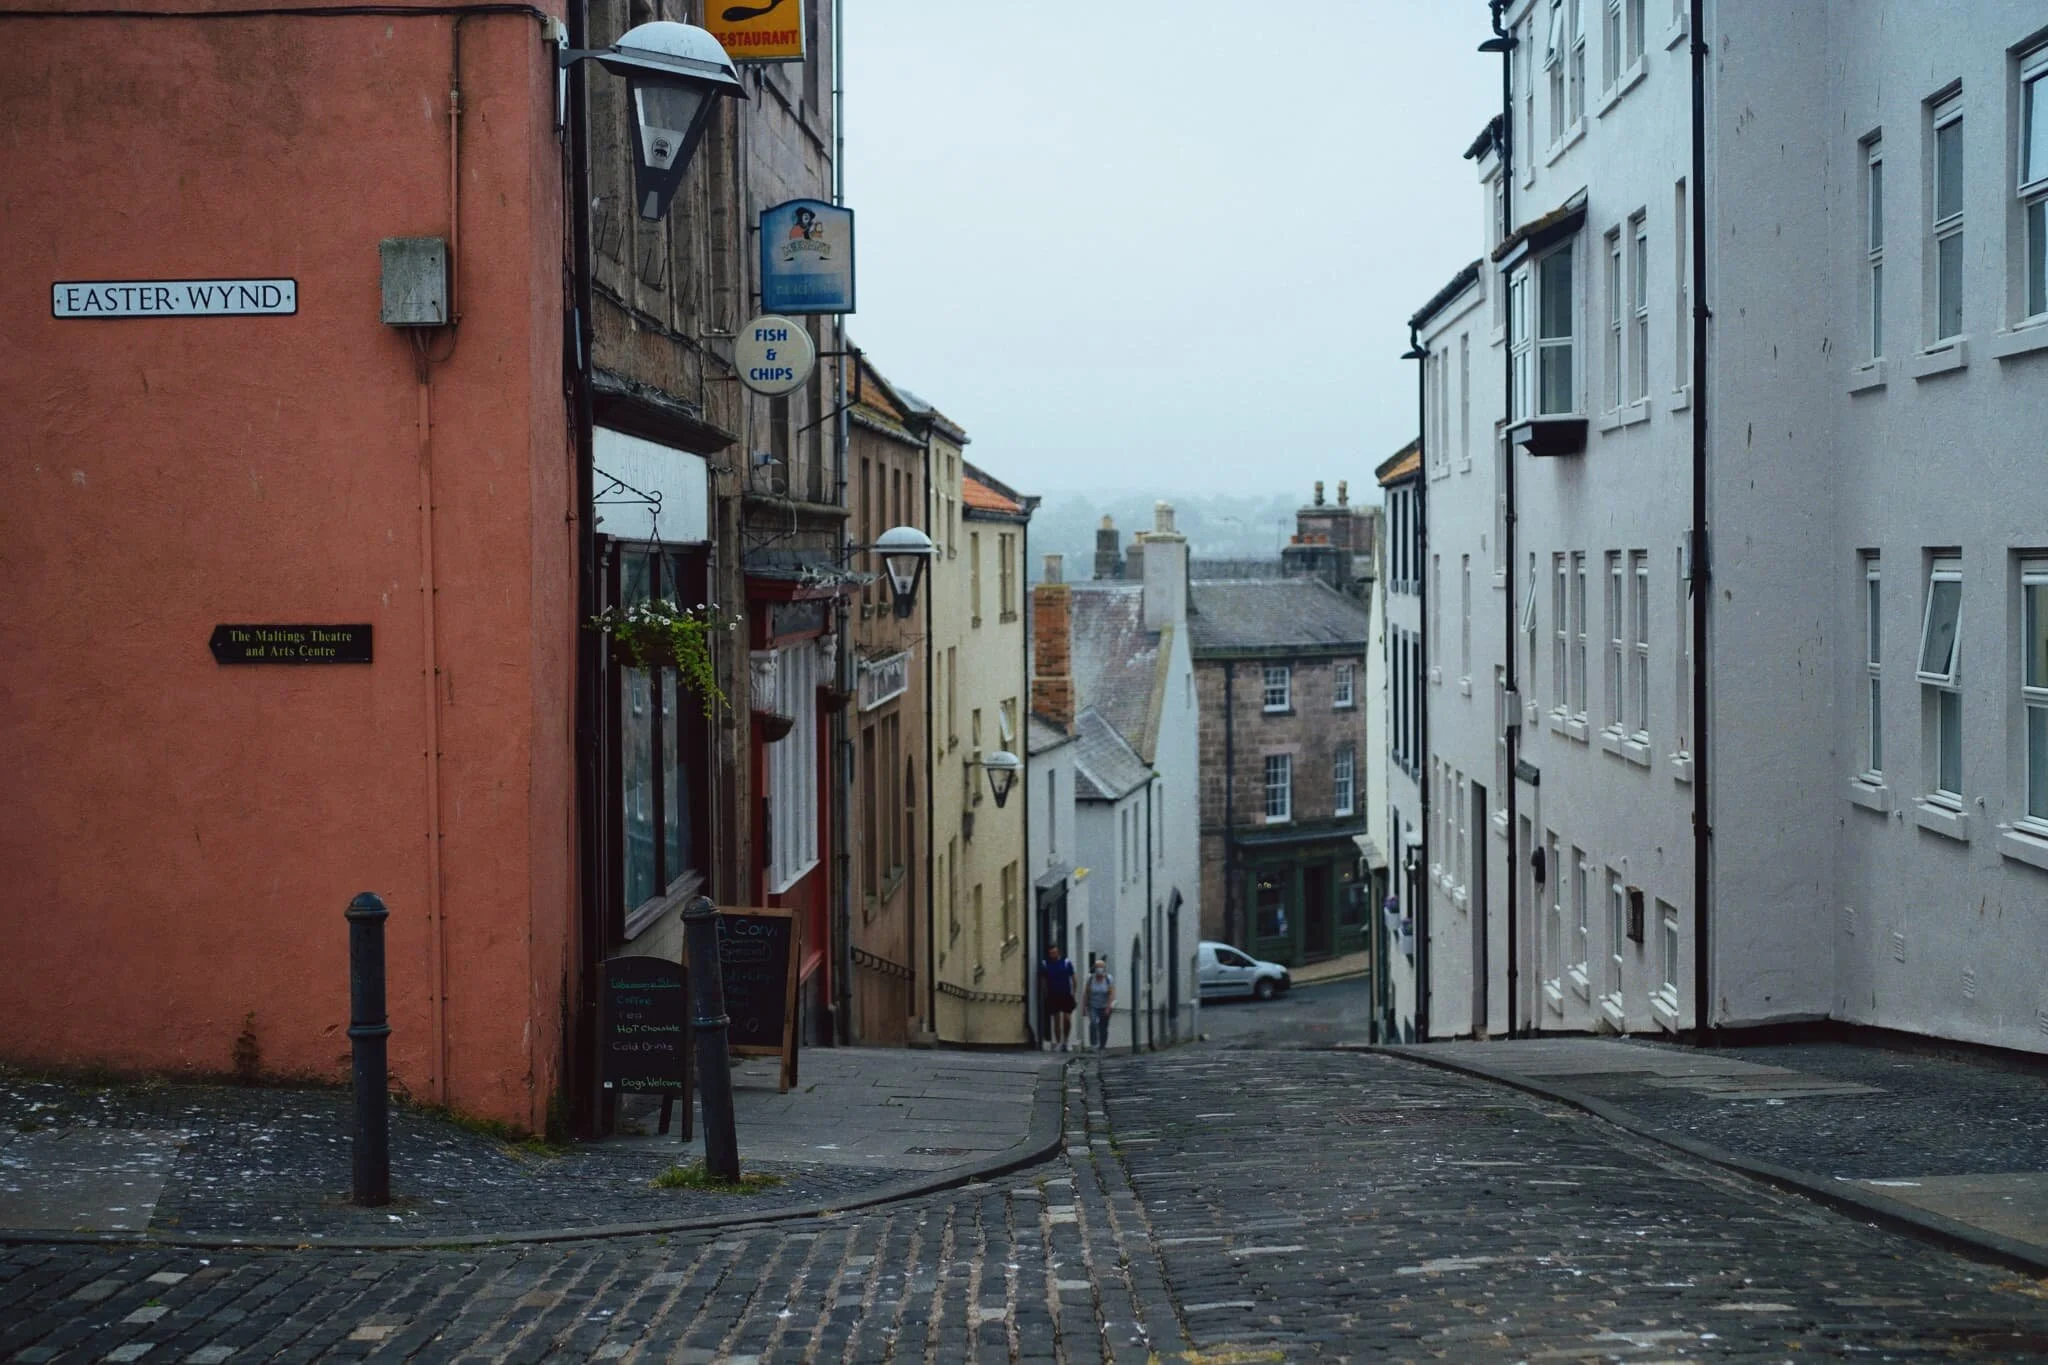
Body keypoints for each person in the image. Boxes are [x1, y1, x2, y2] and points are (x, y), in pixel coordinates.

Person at [1041, 943, 1077, 1052]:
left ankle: (1066, 1041)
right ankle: (1058, 1042)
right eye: (1051, 953)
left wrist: (1073, 992)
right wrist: (1045, 993)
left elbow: (1073, 978)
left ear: (1058, 952)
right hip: (1053, 994)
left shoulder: (1066, 962)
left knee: (1067, 1018)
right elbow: (1043, 980)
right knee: (1056, 1020)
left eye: (1055, 952)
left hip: (1066, 993)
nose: (1053, 954)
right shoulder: (1046, 964)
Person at [1084, 958, 1116, 1051]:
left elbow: (1111, 994)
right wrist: (1084, 1006)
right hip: (1093, 1005)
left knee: (1103, 1027)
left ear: (1104, 968)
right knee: (1093, 1023)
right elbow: (1086, 993)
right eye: (1097, 967)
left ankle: (1102, 1045)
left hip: (1105, 1005)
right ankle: (1093, 1044)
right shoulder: (1090, 978)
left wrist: (1108, 1007)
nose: (1099, 969)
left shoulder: (1108, 979)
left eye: (1101, 967)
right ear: (1095, 968)